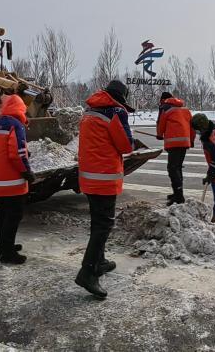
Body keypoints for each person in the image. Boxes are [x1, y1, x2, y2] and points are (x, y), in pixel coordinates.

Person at [75, 79, 135, 299]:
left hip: (89, 178)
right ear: (121, 97)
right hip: (104, 179)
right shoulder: (115, 113)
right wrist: (132, 140)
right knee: (104, 226)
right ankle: (87, 272)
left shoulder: (90, 112)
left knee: (97, 222)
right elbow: (126, 146)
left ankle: (98, 261)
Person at [0, 94, 35, 264]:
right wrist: (27, 172)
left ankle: (3, 246)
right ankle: (7, 254)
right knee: (13, 215)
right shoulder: (16, 125)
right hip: (11, 180)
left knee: (3, 213)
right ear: (20, 109)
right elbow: (17, 154)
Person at [156, 91, 195, 205]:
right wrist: (191, 140)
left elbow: (161, 123)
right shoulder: (185, 110)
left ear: (163, 100)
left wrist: (159, 134)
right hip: (184, 143)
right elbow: (191, 127)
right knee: (177, 168)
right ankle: (178, 193)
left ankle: (178, 197)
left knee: (172, 169)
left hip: (174, 144)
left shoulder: (166, 108)